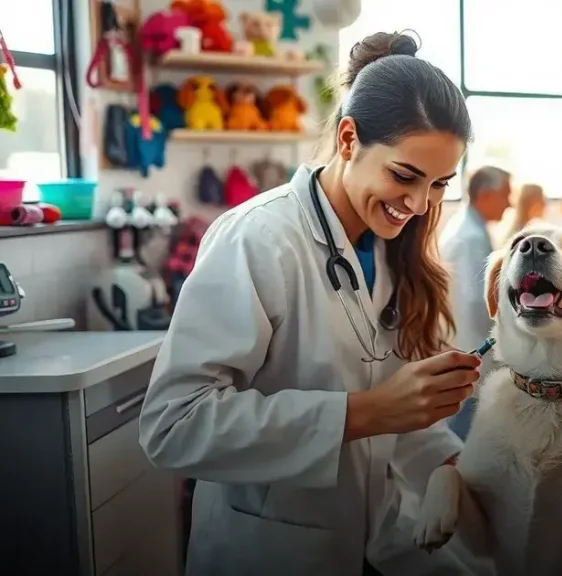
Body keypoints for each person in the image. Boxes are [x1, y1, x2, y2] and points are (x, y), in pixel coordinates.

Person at [137, 31, 489, 576]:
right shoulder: (258, 238)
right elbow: (174, 425)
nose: (421, 205)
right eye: (404, 176)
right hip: (269, 551)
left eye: (440, 184)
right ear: (348, 139)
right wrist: (364, 412)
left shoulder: (398, 252)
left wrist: (459, 465)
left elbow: (403, 423)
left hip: (380, 540)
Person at [440, 165, 511, 439]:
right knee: (463, 427)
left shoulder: (470, 228)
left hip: (468, 342)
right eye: (505, 195)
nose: (509, 203)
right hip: (471, 344)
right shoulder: (470, 237)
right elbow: (476, 301)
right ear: (485, 196)